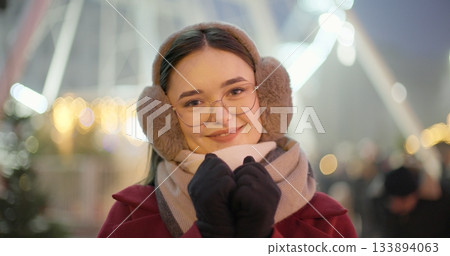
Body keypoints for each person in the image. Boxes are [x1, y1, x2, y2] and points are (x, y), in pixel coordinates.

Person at [97, 22, 357, 238]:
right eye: (194, 102)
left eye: (236, 91)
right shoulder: (130, 218)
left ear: (267, 98)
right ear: (166, 121)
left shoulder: (326, 221)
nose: (220, 117)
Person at [370, 165, 450, 237]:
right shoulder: (384, 208)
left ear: (413, 196)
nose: (395, 207)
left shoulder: (440, 204)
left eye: (401, 202)